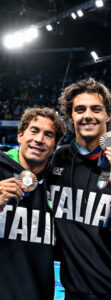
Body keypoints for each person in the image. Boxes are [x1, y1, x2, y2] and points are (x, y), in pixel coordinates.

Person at [48, 77, 111, 300]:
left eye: (96, 109)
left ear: (108, 115)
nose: (87, 116)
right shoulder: (59, 160)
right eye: (80, 109)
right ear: (70, 116)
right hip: (75, 293)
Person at [0, 107, 65, 300]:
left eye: (48, 135)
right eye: (34, 131)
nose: (39, 139)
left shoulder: (60, 185)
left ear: (54, 146)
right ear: (20, 135)